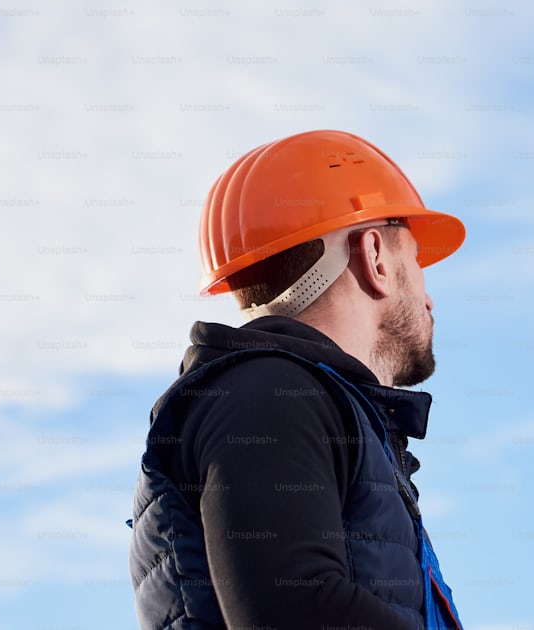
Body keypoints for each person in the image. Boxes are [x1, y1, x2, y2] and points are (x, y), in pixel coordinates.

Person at [128, 129, 467, 629]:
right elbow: (294, 606)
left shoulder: (294, 400)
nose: (430, 298)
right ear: (375, 257)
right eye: (415, 261)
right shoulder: (266, 393)